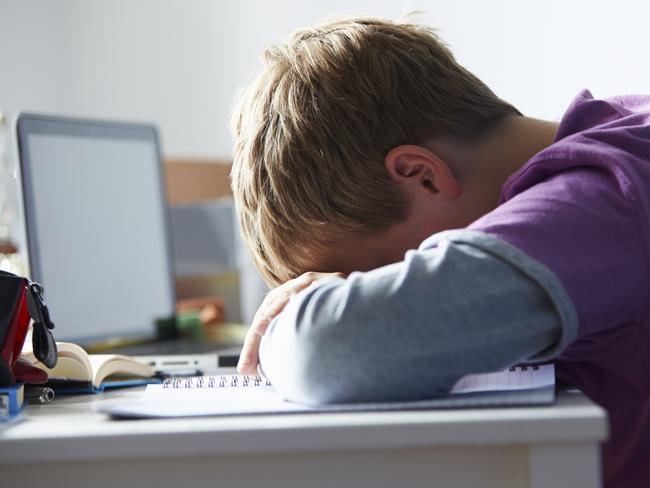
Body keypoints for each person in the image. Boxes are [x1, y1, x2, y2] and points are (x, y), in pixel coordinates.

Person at [230, 16, 650, 488]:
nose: (382, 292)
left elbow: (329, 351)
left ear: (422, 175)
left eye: (377, 278)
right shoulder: (617, 145)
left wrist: (289, 323)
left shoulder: (606, 197)